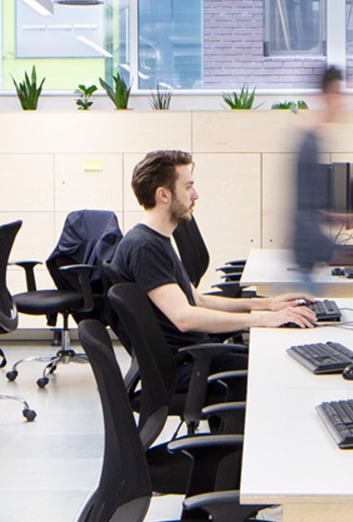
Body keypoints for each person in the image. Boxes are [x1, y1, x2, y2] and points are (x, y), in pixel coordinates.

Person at [114, 149, 315, 379]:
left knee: (282, 357)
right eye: (188, 187)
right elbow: (184, 317)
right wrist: (263, 319)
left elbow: (198, 300)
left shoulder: (157, 240)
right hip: (187, 367)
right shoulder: (144, 248)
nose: (195, 195)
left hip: (197, 356)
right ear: (163, 195)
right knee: (284, 369)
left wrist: (268, 305)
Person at [288, 64, 348, 283]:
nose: (341, 103)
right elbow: (304, 213)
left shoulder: (314, 141)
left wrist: (351, 218)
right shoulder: (309, 145)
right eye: (337, 94)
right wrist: (335, 253)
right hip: (307, 264)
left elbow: (314, 209)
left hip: (309, 260)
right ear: (325, 96)